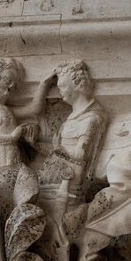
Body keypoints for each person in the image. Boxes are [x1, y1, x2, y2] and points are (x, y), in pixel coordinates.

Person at [37, 60, 108, 215]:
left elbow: (80, 155)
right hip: (53, 181)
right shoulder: (71, 119)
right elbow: (58, 151)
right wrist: (34, 144)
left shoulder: (91, 119)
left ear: (77, 85)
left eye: (62, 86)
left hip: (68, 185)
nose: (60, 90)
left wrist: (57, 150)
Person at [0, 58, 48, 180]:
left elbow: (34, 109)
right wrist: (11, 137)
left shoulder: (6, 109)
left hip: (11, 158)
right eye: (8, 79)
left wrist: (44, 84)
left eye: (15, 83)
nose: (12, 85)